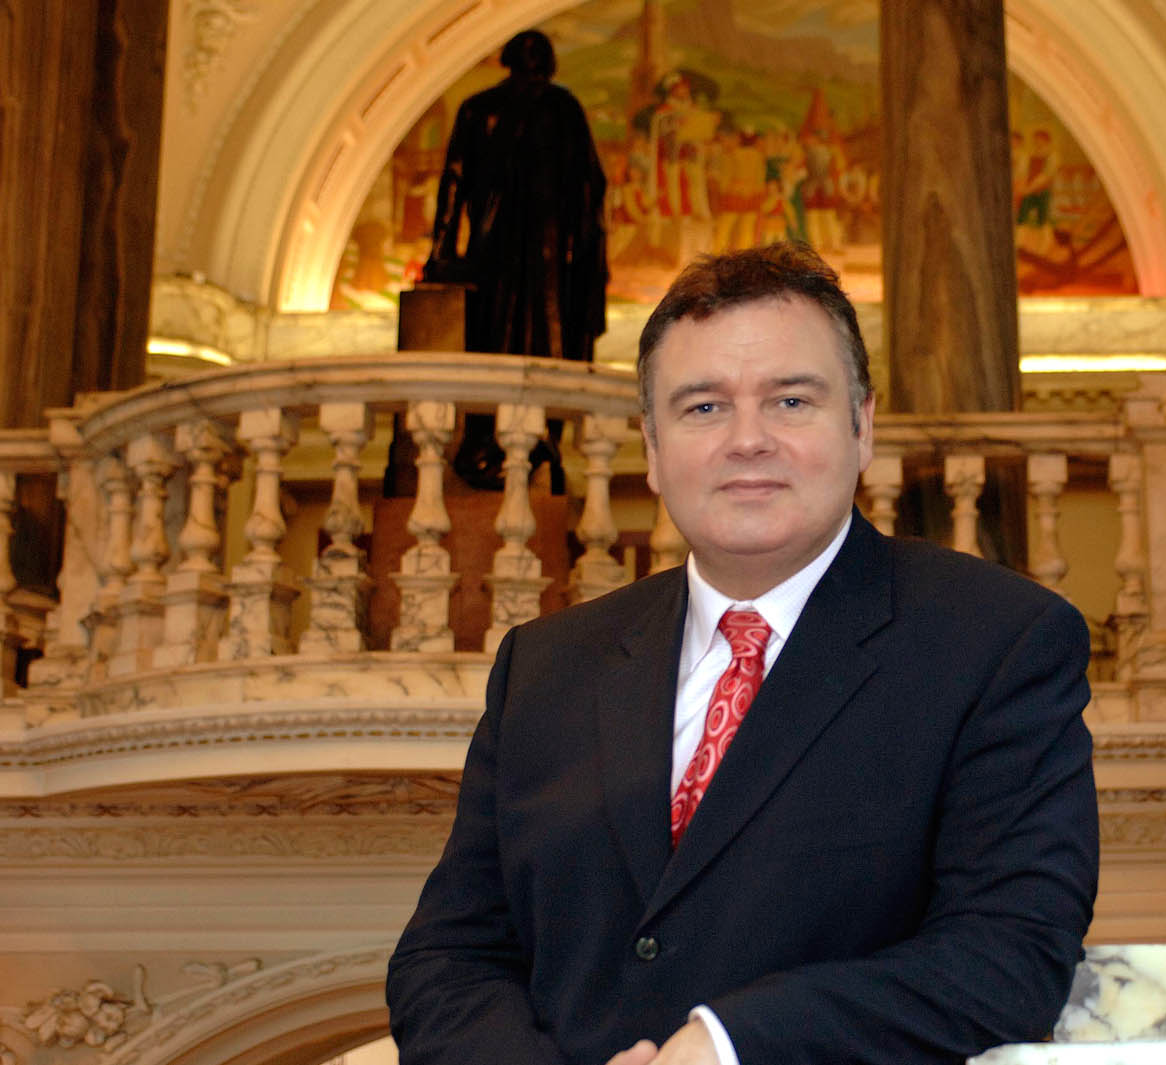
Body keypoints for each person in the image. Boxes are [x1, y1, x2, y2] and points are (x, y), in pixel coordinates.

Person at [387, 242, 1098, 1065]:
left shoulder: (999, 643)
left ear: (862, 426)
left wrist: (730, 1046)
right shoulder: (544, 668)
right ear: (651, 451)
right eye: (703, 408)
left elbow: (1010, 954)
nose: (748, 440)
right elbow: (448, 958)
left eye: (791, 400)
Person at [423, 29, 607, 491]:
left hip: (533, 259)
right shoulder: (546, 109)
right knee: (513, 343)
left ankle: (519, 440)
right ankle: (511, 441)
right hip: (529, 259)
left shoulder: (498, 108)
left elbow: (453, 184)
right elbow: (590, 189)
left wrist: (442, 249)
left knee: (521, 343)